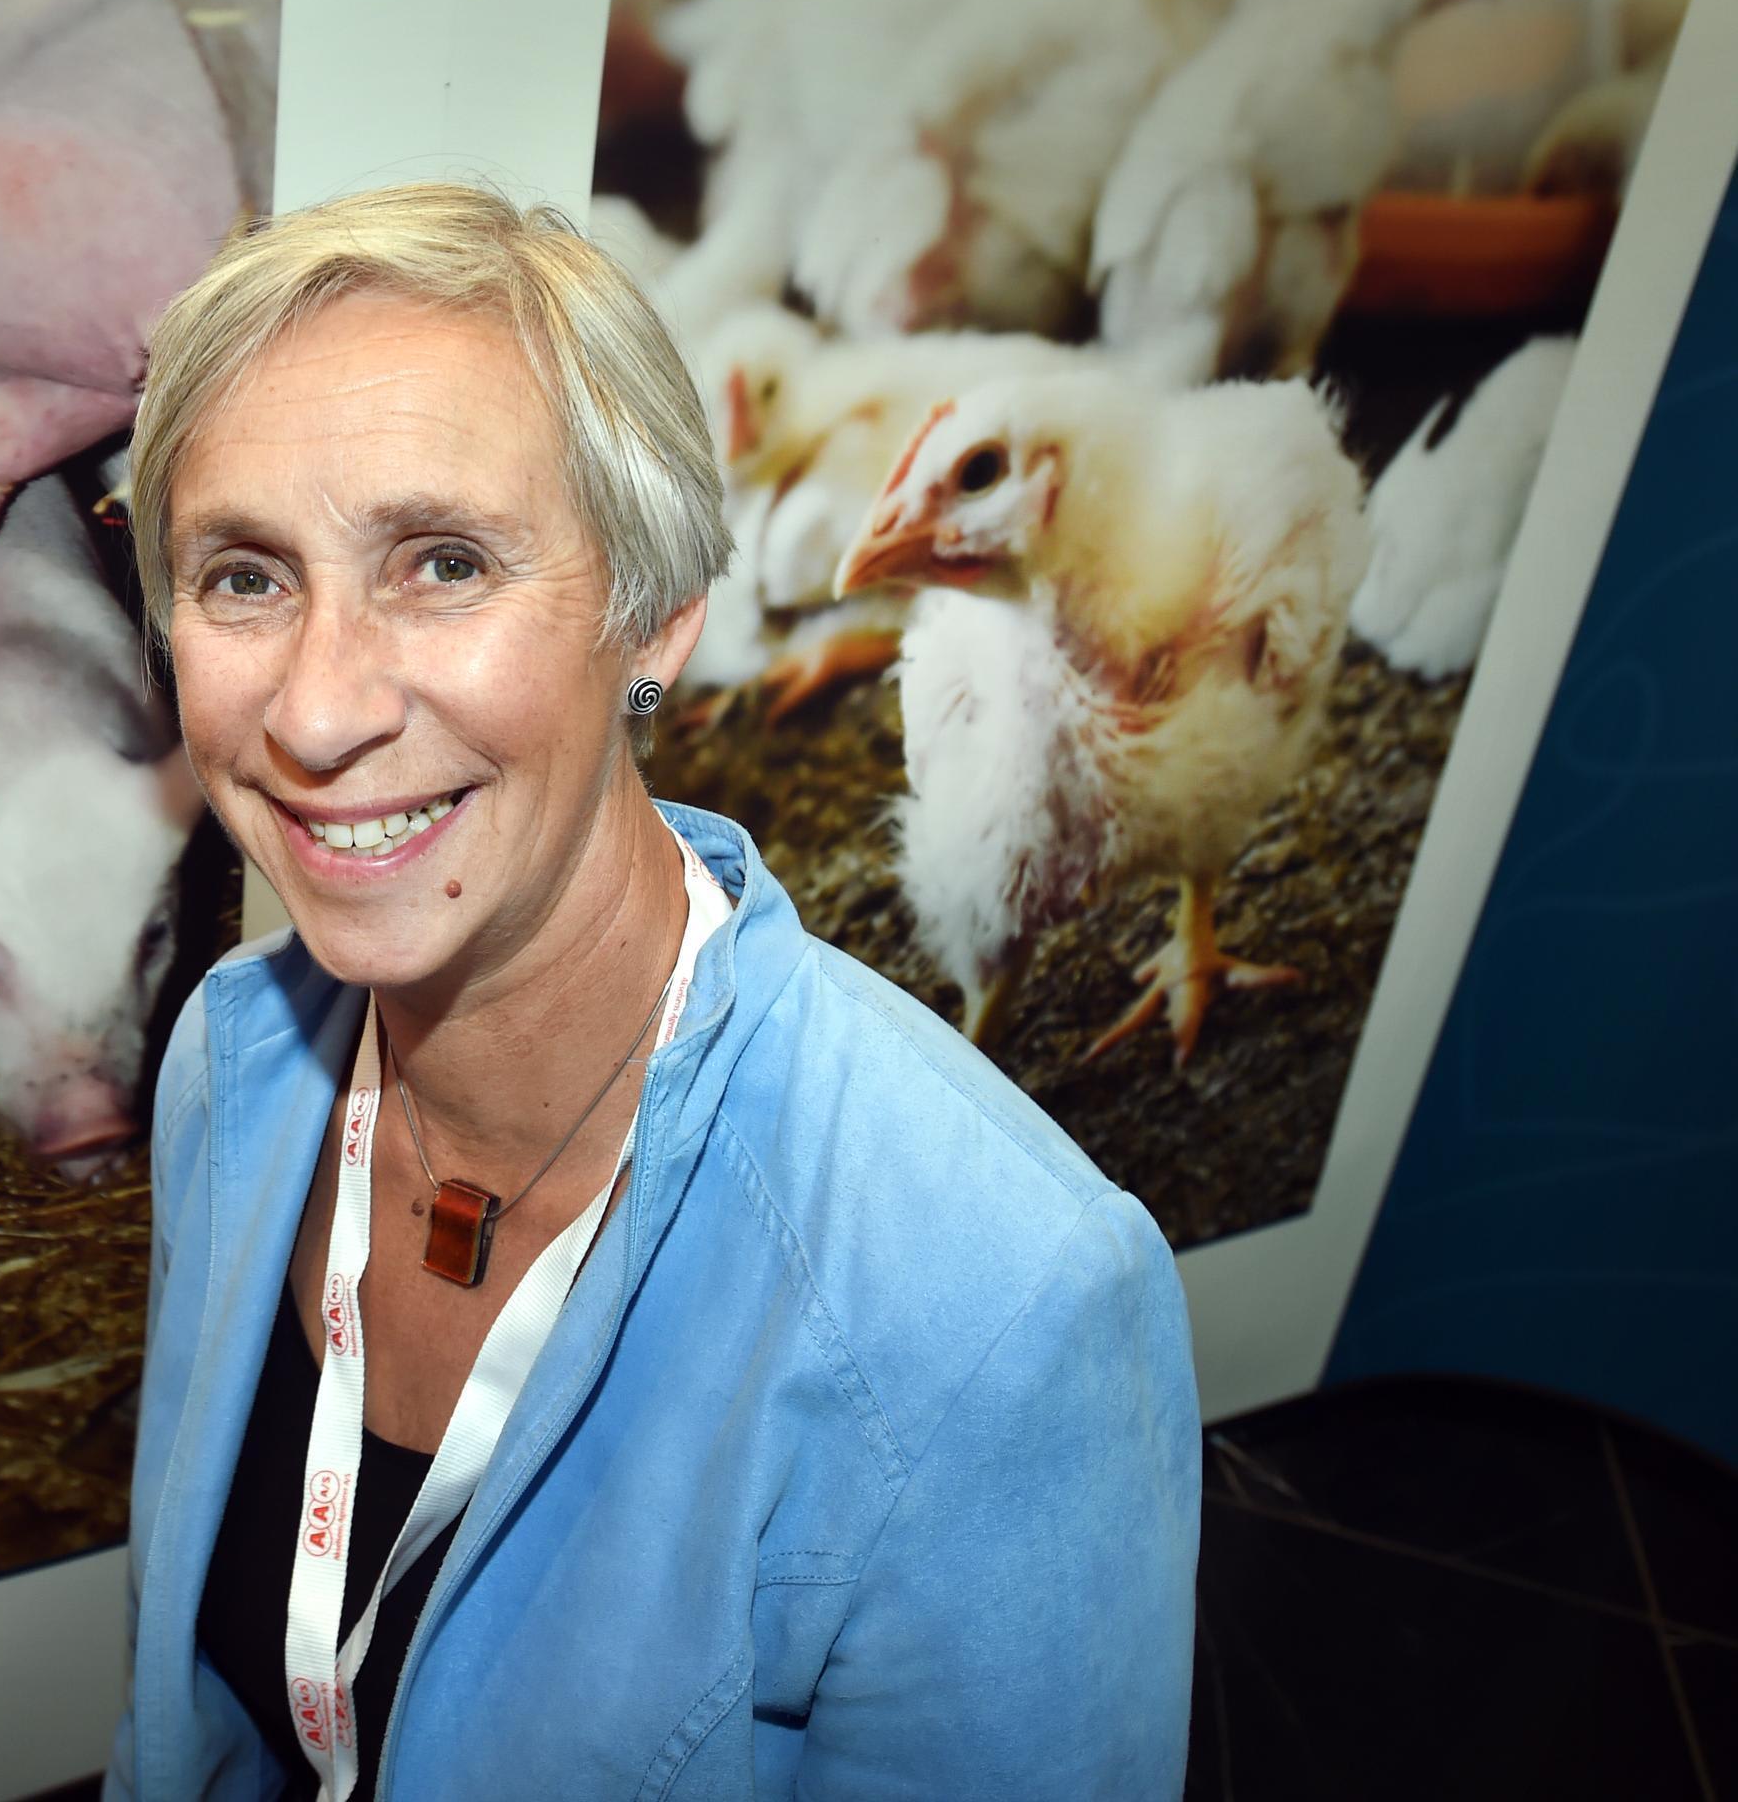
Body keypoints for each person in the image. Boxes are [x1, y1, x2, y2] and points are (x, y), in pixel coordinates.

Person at [104, 183, 1199, 1800]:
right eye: (246, 577)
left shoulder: (996, 1309)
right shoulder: (235, 1069)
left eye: (444, 563)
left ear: (658, 618)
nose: (317, 714)